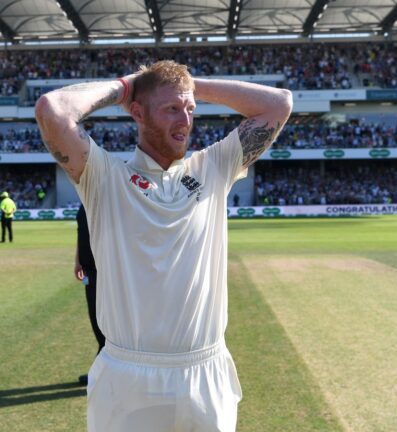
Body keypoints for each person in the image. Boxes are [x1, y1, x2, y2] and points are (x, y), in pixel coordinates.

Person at [35, 60, 292, 431]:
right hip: (127, 379)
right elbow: (52, 110)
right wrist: (129, 87)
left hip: (205, 375)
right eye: (172, 109)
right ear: (137, 113)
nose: (185, 120)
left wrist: (186, 87)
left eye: (190, 110)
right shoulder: (105, 177)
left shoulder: (213, 168)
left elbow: (279, 104)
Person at [74, 204, 105, 386]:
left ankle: (101, 373)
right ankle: (101, 371)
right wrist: (77, 261)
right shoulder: (84, 200)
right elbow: (81, 234)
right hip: (90, 272)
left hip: (106, 271)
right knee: (96, 320)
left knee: (105, 323)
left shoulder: (105, 195)